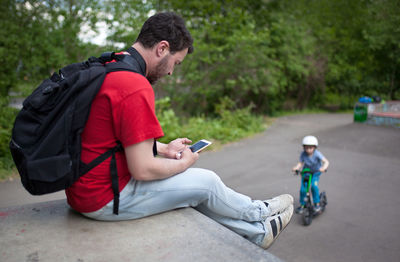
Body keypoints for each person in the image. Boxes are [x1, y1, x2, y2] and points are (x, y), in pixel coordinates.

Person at [65, 11, 293, 249]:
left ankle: (257, 233)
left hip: (84, 188)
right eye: (176, 62)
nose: (171, 72)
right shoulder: (134, 85)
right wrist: (185, 162)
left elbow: (110, 135)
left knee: (191, 188)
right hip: (104, 197)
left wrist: (164, 149)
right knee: (206, 182)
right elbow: (142, 169)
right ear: (162, 48)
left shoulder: (111, 65)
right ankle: (257, 214)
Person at [292, 135, 329, 214]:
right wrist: (296, 168)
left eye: (310, 148)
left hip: (315, 172)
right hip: (306, 172)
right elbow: (301, 163)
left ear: (315, 147)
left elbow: (326, 161)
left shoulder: (317, 154)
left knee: (313, 186)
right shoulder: (303, 154)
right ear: (304, 147)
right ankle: (302, 204)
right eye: (306, 147)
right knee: (303, 190)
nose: (308, 150)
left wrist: (323, 168)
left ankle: (316, 203)